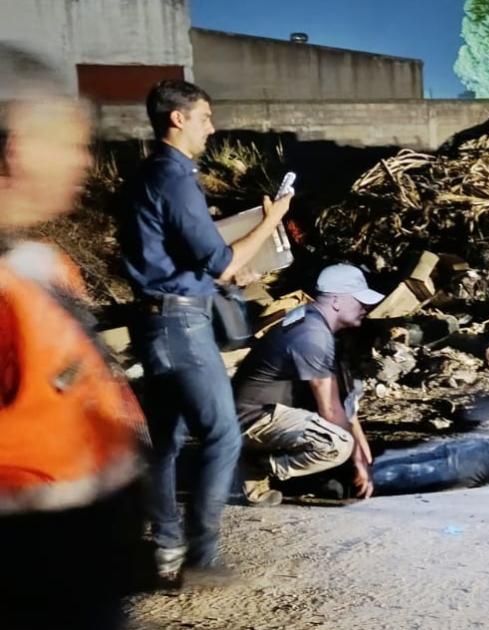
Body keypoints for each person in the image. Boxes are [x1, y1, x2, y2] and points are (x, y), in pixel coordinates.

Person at [118, 79, 294, 582]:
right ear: (177, 119)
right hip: (181, 323)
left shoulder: (145, 176)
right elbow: (217, 261)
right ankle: (201, 553)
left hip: (154, 320)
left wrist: (233, 271)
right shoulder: (174, 177)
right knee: (222, 434)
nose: (211, 127)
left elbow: (182, 257)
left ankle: (167, 547)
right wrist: (270, 220)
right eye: (204, 118)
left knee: (167, 442)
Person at [0, 43, 148, 629]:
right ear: (12, 148)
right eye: (66, 141)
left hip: (79, 573)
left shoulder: (41, 265)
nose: (85, 160)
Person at [233, 264, 384, 504]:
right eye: (359, 301)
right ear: (336, 301)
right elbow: (331, 411)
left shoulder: (314, 323)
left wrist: (364, 459)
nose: (365, 307)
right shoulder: (311, 336)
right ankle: (255, 466)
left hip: (269, 412)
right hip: (250, 419)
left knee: (342, 441)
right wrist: (356, 458)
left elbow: (344, 404)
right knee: (336, 443)